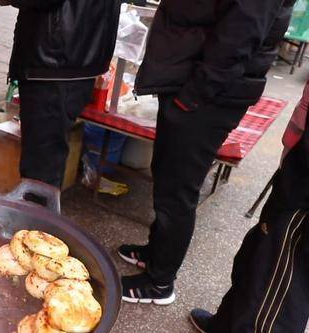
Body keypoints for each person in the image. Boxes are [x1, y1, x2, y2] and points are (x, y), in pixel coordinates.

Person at [117, 0, 296, 304]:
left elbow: (239, 36)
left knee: (178, 191)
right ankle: (156, 252)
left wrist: (194, 95)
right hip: (190, 79)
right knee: (167, 177)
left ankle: (160, 282)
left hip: (207, 94)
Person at [189, 81, 309, 333]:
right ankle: (223, 325)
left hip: (303, 198)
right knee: (254, 259)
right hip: (296, 171)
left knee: (276, 295)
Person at [0, 0, 120, 189]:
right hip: (73, 59)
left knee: (40, 173)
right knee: (46, 161)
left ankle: (35, 216)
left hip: (56, 61)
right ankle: (36, 213)